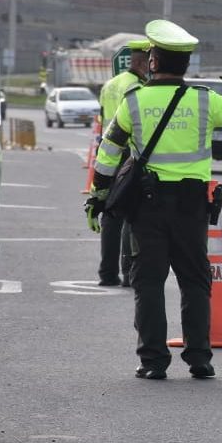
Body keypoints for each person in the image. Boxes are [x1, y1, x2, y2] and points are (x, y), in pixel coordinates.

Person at [84, 19, 222, 380]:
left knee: (147, 281)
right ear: (185, 64)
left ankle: (153, 360)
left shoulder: (134, 102)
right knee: (195, 281)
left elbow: (108, 151)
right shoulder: (205, 100)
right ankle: (199, 358)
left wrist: (97, 196)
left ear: (153, 61)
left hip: (145, 206)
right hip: (191, 206)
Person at [95, 39, 150, 287]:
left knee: (110, 215)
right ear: (140, 62)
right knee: (131, 214)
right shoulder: (136, 87)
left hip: (107, 152)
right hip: (127, 155)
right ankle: (128, 271)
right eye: (148, 61)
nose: (150, 67)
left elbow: (101, 118)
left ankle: (107, 273)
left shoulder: (110, 85)